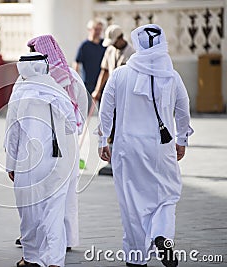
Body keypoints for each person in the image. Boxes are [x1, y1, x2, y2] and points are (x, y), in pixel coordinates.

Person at [97, 24, 194, 267]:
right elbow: (183, 109)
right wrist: (181, 139)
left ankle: (136, 257)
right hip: (161, 148)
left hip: (126, 150)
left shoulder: (120, 74)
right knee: (167, 195)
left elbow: (106, 111)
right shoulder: (171, 76)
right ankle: (162, 235)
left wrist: (102, 140)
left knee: (132, 205)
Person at [5, 52, 76, 267]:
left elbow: (13, 133)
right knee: (54, 211)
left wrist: (11, 164)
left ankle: (31, 258)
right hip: (59, 160)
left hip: (29, 162)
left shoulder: (19, 93)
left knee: (30, 211)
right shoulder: (57, 90)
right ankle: (54, 259)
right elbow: (72, 125)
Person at [26, 35, 88, 251]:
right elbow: (82, 102)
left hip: (38, 139)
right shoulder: (71, 76)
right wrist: (76, 128)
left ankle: (41, 235)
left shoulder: (29, 79)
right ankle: (67, 238)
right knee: (68, 189)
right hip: (68, 138)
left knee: (39, 188)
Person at [91, 24, 135, 176]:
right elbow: (104, 71)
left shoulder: (132, 53)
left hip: (126, 98)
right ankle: (111, 161)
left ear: (121, 38)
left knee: (123, 127)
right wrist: (97, 90)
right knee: (109, 125)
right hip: (111, 96)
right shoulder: (110, 50)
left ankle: (125, 160)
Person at [73, 18, 106, 114]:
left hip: (103, 83)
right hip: (87, 84)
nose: (98, 32)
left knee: (103, 112)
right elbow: (77, 63)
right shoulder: (84, 46)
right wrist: (76, 82)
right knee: (85, 112)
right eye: (96, 29)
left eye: (100, 29)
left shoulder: (104, 45)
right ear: (90, 30)